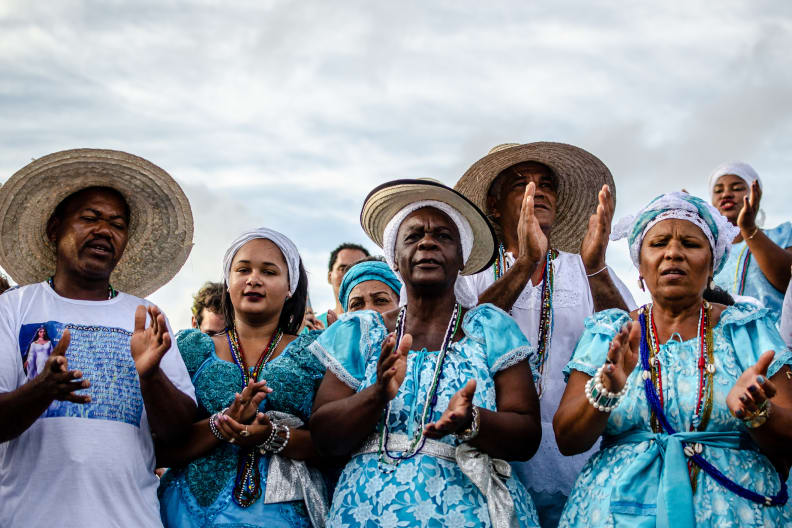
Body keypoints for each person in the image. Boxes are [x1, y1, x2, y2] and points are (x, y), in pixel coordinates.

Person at [310, 179, 542, 527]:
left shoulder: (490, 328)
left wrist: (472, 421)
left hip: (472, 513)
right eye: (414, 236)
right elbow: (324, 437)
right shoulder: (362, 332)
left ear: (462, 258)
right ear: (395, 259)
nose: (428, 242)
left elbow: (527, 435)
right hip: (367, 513)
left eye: (443, 236)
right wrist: (377, 395)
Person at [554, 191, 791, 527]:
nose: (674, 253)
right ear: (640, 266)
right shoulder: (611, 333)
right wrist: (604, 390)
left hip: (735, 511)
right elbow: (567, 439)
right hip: (618, 512)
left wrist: (757, 412)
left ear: (711, 265)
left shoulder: (747, 329)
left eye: (691, 244)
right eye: (659, 243)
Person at [0, 149, 197, 528]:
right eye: (89, 218)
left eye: (117, 224)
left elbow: (176, 433)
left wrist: (151, 374)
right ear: (54, 229)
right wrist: (43, 388)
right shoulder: (13, 309)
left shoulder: (146, 317)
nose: (104, 230)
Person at [454, 142, 636, 526]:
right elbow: (460, 340)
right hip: (492, 456)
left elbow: (630, 338)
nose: (537, 192)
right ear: (493, 204)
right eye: (521, 184)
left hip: (577, 455)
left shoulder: (583, 265)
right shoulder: (470, 275)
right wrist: (525, 264)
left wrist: (597, 270)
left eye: (546, 184)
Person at [157, 228, 328, 528]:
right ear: (228, 282)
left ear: (290, 286)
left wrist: (272, 436)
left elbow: (333, 444)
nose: (254, 279)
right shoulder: (189, 349)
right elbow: (160, 447)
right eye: (243, 269)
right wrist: (221, 423)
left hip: (282, 516)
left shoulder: (316, 352)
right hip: (190, 514)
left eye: (269, 271)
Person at [709, 162, 792, 321]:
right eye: (718, 190)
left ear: (755, 193)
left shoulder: (782, 234)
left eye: (737, 188)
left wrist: (748, 228)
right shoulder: (707, 251)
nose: (726, 194)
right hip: (721, 341)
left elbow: (788, 283)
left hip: (773, 340)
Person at [316, 243, 370, 327]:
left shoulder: (384, 321)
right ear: (330, 277)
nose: (350, 274)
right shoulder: (313, 327)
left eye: (358, 267)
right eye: (343, 269)